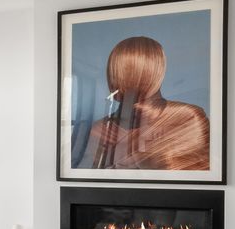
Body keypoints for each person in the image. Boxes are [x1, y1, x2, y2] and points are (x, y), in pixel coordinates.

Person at [82, 36, 209, 171]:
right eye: (117, 71)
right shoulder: (101, 129)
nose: (120, 77)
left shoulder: (186, 119)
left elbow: (199, 181)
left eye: (127, 70)